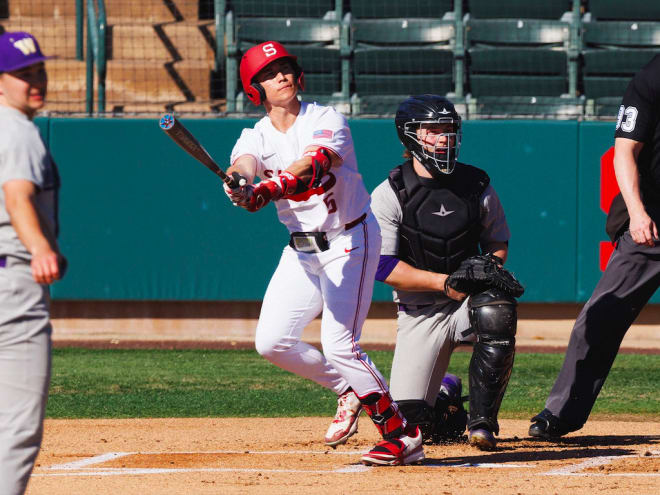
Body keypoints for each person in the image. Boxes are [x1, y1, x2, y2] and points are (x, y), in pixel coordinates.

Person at [223, 40, 423, 466]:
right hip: (301, 250)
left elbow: (315, 163)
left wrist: (270, 188)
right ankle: (348, 389)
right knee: (272, 342)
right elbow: (244, 162)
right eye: (270, 72)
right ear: (254, 88)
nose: (282, 76)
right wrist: (240, 184)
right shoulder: (253, 134)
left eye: (286, 68)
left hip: (349, 239)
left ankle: (403, 434)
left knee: (340, 345)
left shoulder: (327, 117)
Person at [370, 94, 518, 450]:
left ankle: (482, 424)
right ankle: (447, 396)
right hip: (420, 312)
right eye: (433, 130)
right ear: (410, 136)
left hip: (468, 304)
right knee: (415, 428)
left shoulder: (476, 184)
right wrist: (443, 283)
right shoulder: (391, 192)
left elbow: (497, 242)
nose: (443, 138)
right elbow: (382, 265)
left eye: (449, 130)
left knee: (497, 308)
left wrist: (488, 268)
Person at [529, 54, 660, 438]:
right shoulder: (652, 76)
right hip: (651, 220)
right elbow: (625, 151)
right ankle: (560, 414)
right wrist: (636, 214)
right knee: (601, 317)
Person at [0, 31, 65, 495]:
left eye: (38, 69)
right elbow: (18, 195)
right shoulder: (17, 130)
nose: (34, 80)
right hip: (15, 286)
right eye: (22, 74)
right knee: (19, 427)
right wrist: (40, 247)